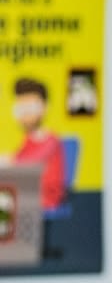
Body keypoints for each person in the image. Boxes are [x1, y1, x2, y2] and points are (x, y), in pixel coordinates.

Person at [12, 78, 66, 213]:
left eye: (30, 105)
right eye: (21, 104)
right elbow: (17, 158)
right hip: (27, 194)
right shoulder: (28, 140)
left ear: (45, 107)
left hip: (45, 198)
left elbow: (25, 162)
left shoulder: (50, 140)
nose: (25, 111)